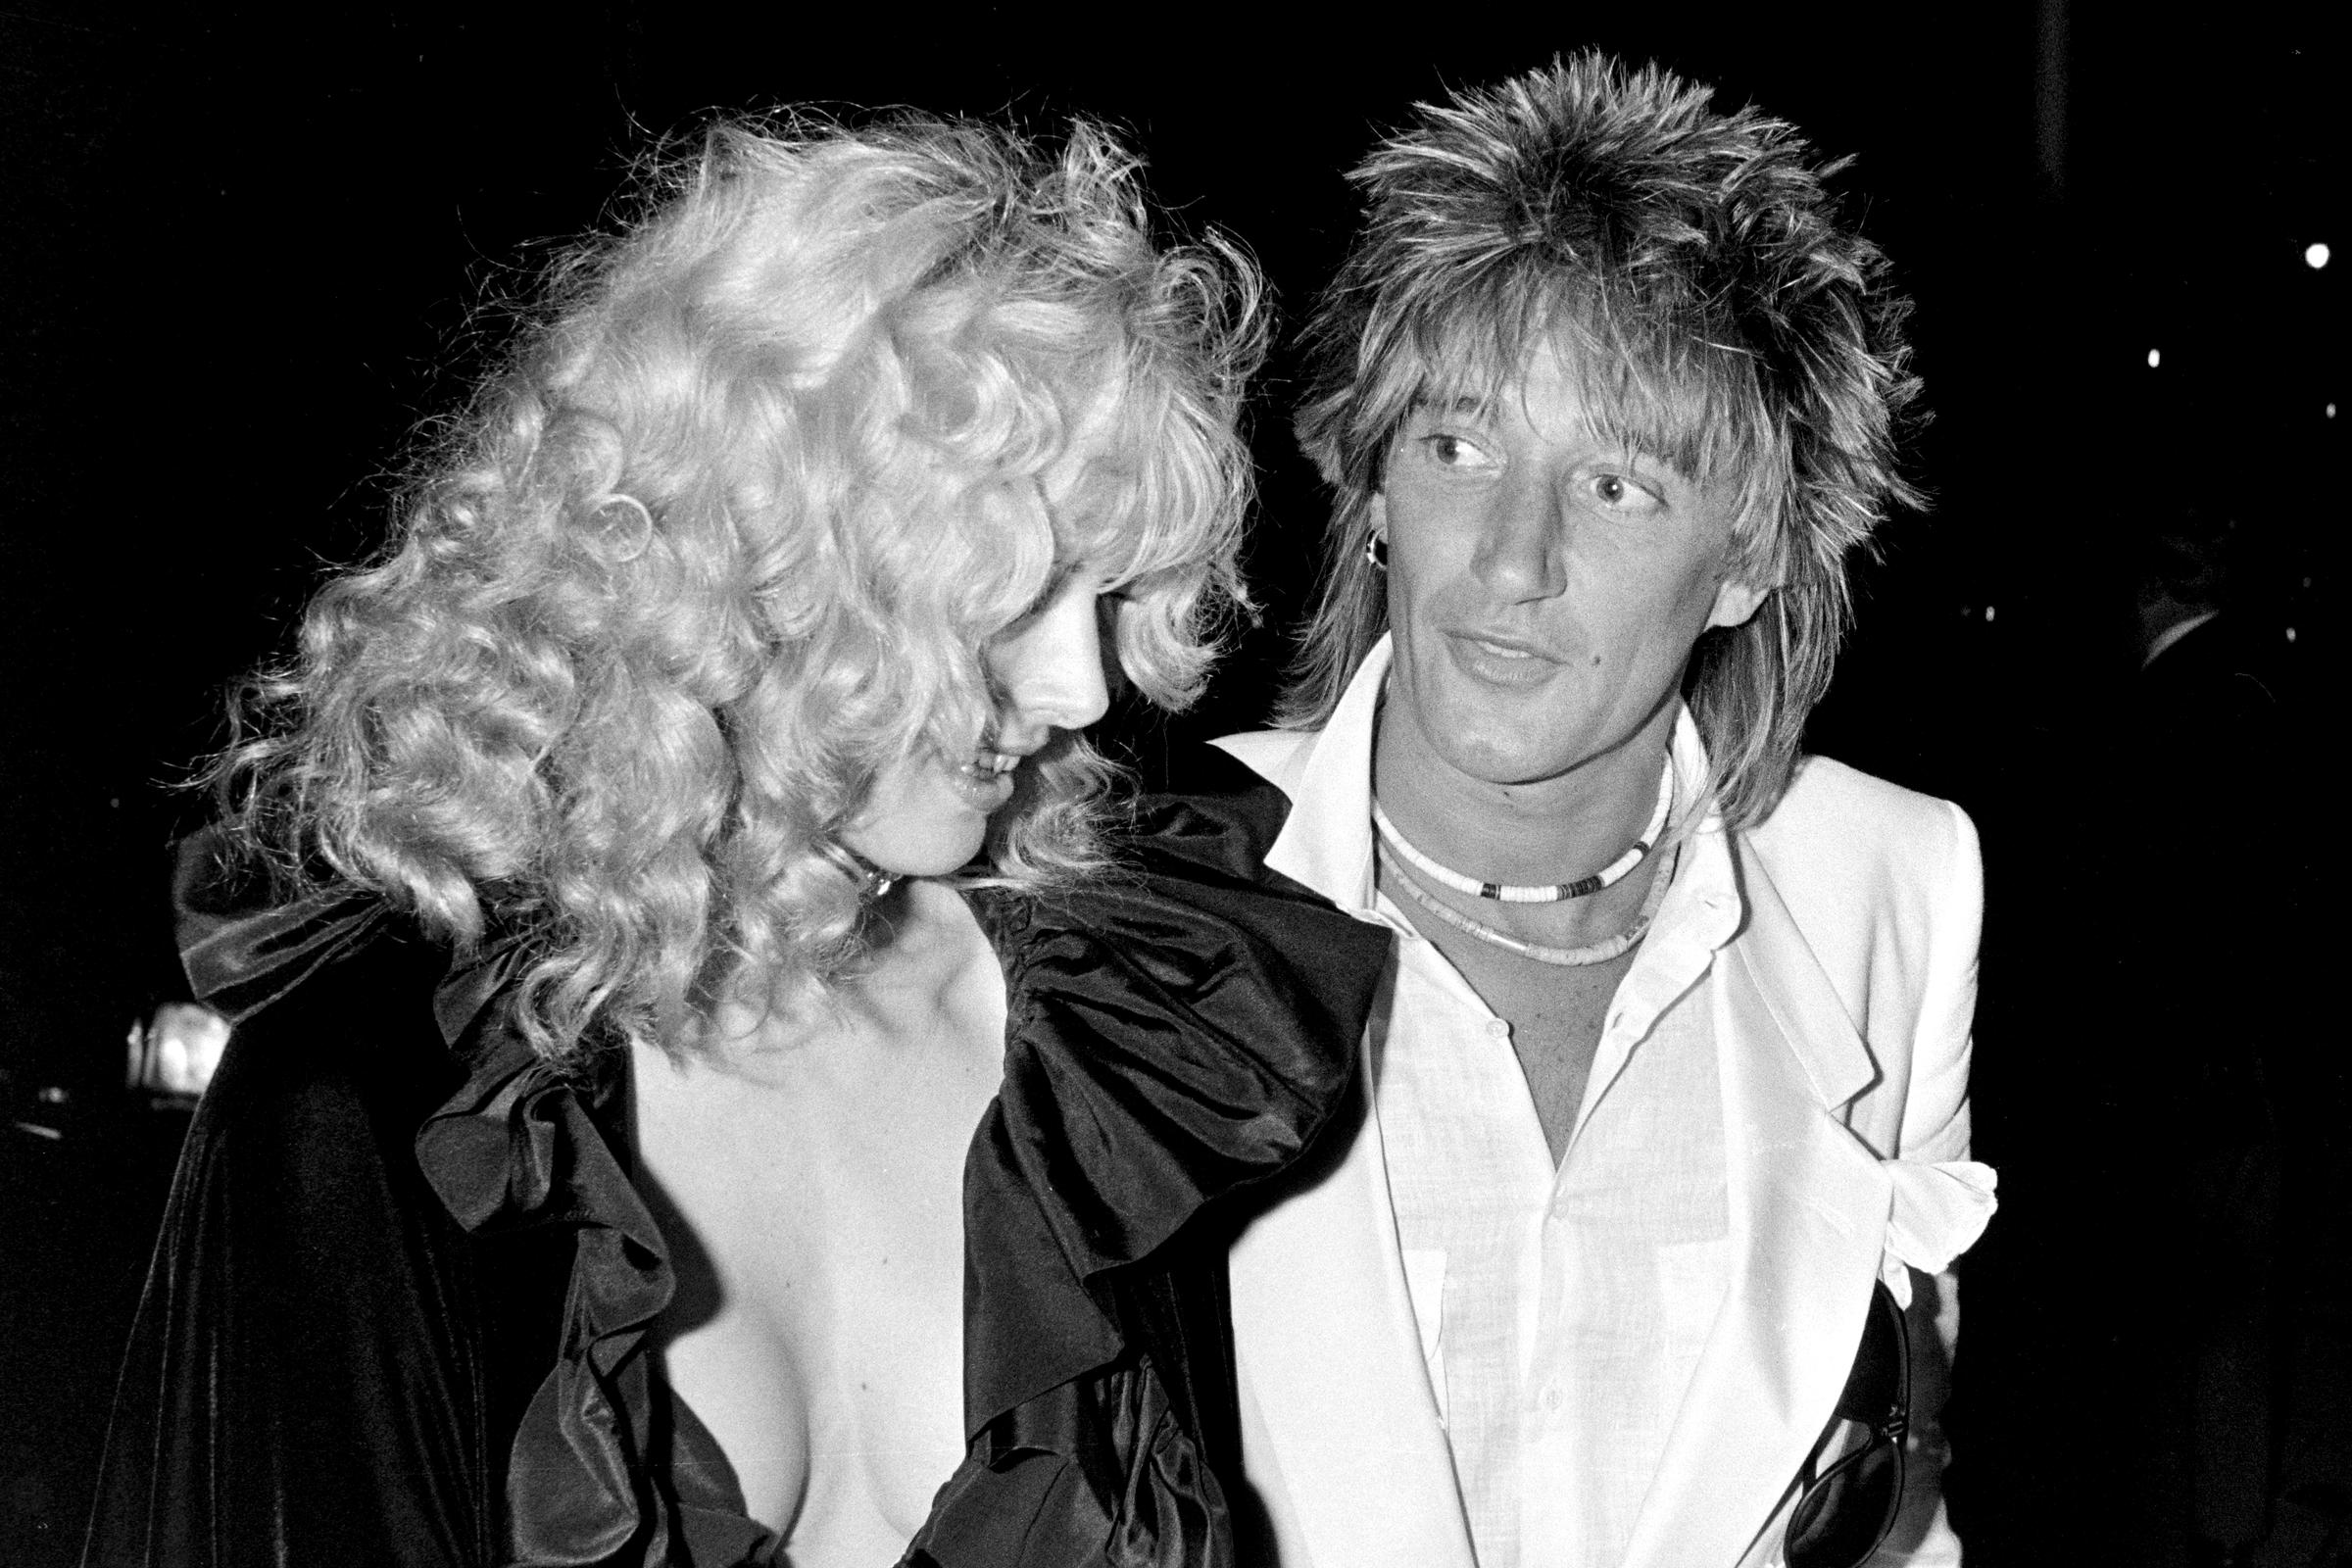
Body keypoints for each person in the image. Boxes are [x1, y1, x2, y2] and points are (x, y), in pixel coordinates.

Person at [83, 116, 1391, 1568]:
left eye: (1111, 598)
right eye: (1010, 594)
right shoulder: (398, 1103)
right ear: (759, 563)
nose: (1084, 691)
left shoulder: (1105, 1060)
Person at [1207, 55, 1997, 1568]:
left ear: (1752, 559)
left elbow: (1890, 1511)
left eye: (1619, 485)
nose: (1513, 559)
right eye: (1458, 448)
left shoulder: (1885, 886)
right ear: (1370, 487)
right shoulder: (1158, 911)